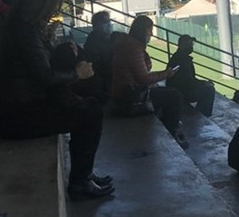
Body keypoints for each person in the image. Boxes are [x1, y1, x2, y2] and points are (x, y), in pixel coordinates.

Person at [0, 0, 113, 201]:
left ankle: (84, 175)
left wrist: (60, 47)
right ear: (41, 5)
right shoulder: (25, 32)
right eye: (52, 6)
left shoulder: (20, 27)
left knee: (86, 102)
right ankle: (81, 181)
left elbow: (39, 66)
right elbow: (45, 77)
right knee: (92, 112)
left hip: (13, 109)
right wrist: (78, 73)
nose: (54, 12)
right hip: (17, 116)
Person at [110, 15, 187, 148]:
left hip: (124, 94)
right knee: (175, 96)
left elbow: (140, 75)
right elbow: (143, 78)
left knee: (163, 92)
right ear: (143, 30)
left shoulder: (128, 44)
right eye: (150, 30)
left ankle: (171, 130)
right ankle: (172, 134)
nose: (151, 34)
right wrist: (166, 74)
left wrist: (161, 75)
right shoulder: (133, 48)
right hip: (130, 98)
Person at [166, 34, 215, 117]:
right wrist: (204, 83)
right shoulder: (183, 60)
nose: (191, 46)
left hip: (177, 90)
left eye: (191, 44)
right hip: (180, 92)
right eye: (188, 44)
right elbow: (189, 82)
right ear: (181, 45)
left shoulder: (178, 57)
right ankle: (202, 116)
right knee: (209, 90)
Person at [82, 10, 115, 96]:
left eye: (109, 21)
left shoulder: (115, 37)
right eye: (105, 22)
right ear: (96, 25)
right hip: (103, 83)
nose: (109, 24)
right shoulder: (92, 43)